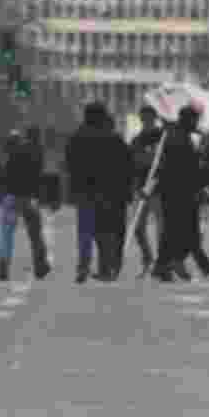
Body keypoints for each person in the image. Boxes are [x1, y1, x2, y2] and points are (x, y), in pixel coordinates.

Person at [66, 102, 134, 283]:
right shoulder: (112, 138)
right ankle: (107, 267)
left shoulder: (77, 136)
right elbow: (126, 166)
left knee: (86, 231)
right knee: (106, 231)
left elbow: (70, 164)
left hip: (84, 191)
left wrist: (72, 188)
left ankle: (83, 266)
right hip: (108, 192)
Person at [153, 105, 209, 283]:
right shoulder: (178, 138)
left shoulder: (178, 135)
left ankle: (164, 266)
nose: (196, 123)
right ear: (187, 119)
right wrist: (201, 182)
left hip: (177, 191)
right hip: (179, 192)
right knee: (185, 231)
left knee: (176, 231)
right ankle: (178, 264)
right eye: (194, 120)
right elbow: (186, 168)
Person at [0, 127, 51, 282]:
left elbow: (3, 173)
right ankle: (40, 265)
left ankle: (3, 269)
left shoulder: (13, 152)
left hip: (10, 196)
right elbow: (38, 177)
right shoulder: (37, 152)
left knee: (6, 234)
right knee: (35, 233)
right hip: (28, 197)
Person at [129, 105, 165, 277]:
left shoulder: (162, 137)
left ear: (154, 118)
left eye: (149, 118)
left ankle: (162, 263)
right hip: (141, 187)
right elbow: (133, 162)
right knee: (137, 227)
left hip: (159, 188)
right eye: (144, 119)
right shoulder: (137, 140)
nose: (146, 122)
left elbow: (166, 161)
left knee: (161, 227)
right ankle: (148, 257)